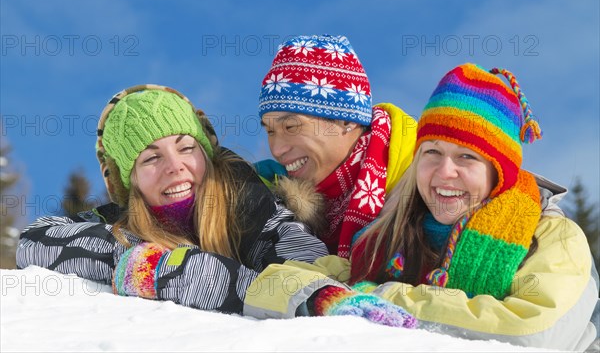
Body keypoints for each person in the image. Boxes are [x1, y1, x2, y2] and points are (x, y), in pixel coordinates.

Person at [243, 64, 598, 350]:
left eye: (466, 157)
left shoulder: (551, 236)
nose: (445, 173)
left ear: (498, 172)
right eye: (432, 153)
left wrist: (390, 300)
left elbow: (534, 333)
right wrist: (325, 296)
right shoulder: (389, 235)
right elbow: (273, 284)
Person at [17, 84, 329, 314]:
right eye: (151, 159)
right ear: (131, 181)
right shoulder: (117, 224)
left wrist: (226, 282)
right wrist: (152, 264)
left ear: (207, 155)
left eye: (186, 148)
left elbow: (312, 272)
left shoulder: (249, 204)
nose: (174, 166)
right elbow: (34, 241)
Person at [257, 34, 418, 258]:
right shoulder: (268, 191)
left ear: (346, 121)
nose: (277, 149)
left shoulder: (425, 181)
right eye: (270, 131)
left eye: (291, 127)